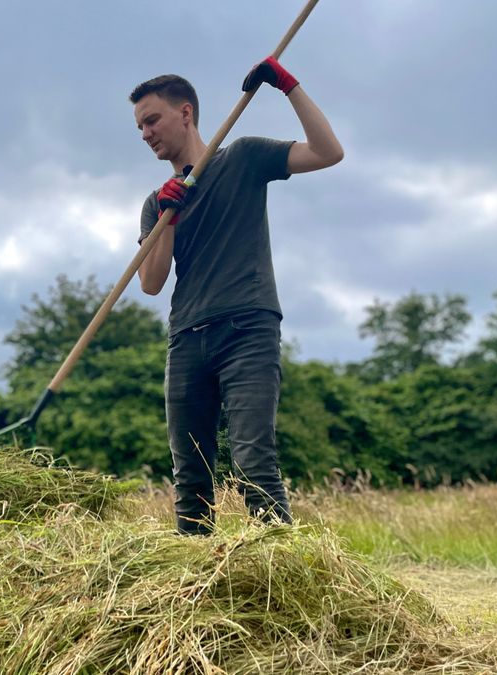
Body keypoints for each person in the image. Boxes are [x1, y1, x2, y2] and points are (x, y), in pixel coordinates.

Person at [131, 57, 343, 535]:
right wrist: (168, 216)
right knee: (191, 475)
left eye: (152, 120)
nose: (145, 133)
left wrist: (288, 86)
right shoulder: (155, 202)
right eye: (140, 126)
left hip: (248, 328)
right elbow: (151, 281)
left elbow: (329, 152)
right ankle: (194, 590)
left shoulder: (243, 158)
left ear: (185, 113)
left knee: (253, 461)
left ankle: (283, 577)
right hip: (186, 340)